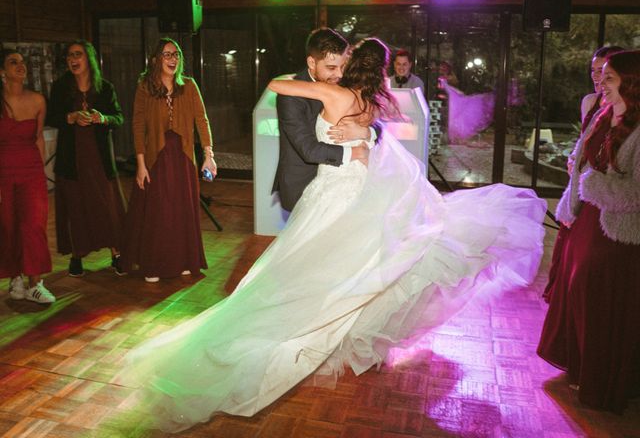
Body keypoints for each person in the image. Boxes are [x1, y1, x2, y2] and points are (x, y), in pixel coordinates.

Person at [117, 37, 546, 433]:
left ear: (349, 65)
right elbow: (366, 134)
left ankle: (299, 325)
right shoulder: (374, 103)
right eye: (331, 63)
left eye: (342, 62)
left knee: (316, 269)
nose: (337, 69)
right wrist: (361, 135)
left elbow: (276, 85)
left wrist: (341, 112)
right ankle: (326, 323)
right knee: (355, 268)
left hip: (333, 194)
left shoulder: (332, 93)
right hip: (356, 191)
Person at [538, 50, 640, 412]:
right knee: (575, 289)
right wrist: (574, 196)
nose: (602, 85)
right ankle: (580, 365)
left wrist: (592, 186)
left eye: (609, 79)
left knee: (600, 300)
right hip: (586, 220)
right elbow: (583, 164)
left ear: (629, 83)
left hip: (616, 230)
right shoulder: (602, 114)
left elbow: (635, 194)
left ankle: (603, 379)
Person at [120, 38, 216, 283]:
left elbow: (201, 121)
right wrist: (140, 164)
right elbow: (138, 125)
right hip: (156, 157)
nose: (173, 59)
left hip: (183, 156)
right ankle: (154, 264)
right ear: (155, 60)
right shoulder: (144, 87)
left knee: (182, 209)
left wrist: (208, 156)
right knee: (159, 211)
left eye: (176, 54)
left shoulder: (190, 86)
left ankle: (184, 260)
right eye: (166, 54)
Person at [543, 45, 624, 301]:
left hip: (603, 189)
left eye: (604, 72)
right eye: (594, 70)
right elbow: (585, 141)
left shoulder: (626, 110)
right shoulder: (589, 102)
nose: (597, 77)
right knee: (569, 241)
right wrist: (573, 159)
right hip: (581, 182)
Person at [47, 40, 126, 277]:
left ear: (89, 58)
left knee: (107, 206)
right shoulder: (61, 87)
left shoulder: (105, 88)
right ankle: (77, 256)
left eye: (78, 54)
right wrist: (70, 117)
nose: (73, 59)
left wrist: (102, 118)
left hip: (99, 160)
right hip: (72, 160)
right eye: (70, 55)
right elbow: (51, 117)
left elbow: (119, 118)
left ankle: (117, 253)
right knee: (76, 208)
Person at [272, 27, 374, 212]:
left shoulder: (343, 84)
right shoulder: (290, 95)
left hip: (342, 184)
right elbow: (309, 150)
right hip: (303, 186)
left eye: (343, 66)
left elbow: (374, 119)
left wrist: (365, 131)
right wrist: (356, 153)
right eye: (331, 68)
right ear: (312, 62)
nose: (340, 74)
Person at [0, 49, 55, 304]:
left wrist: (42, 172)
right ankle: (15, 278)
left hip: (31, 170)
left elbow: (38, 138)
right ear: (2, 72)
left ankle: (35, 282)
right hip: (3, 171)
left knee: (33, 225)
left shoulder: (37, 100)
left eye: (22, 62)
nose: (21, 66)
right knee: (8, 226)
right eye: (14, 62)